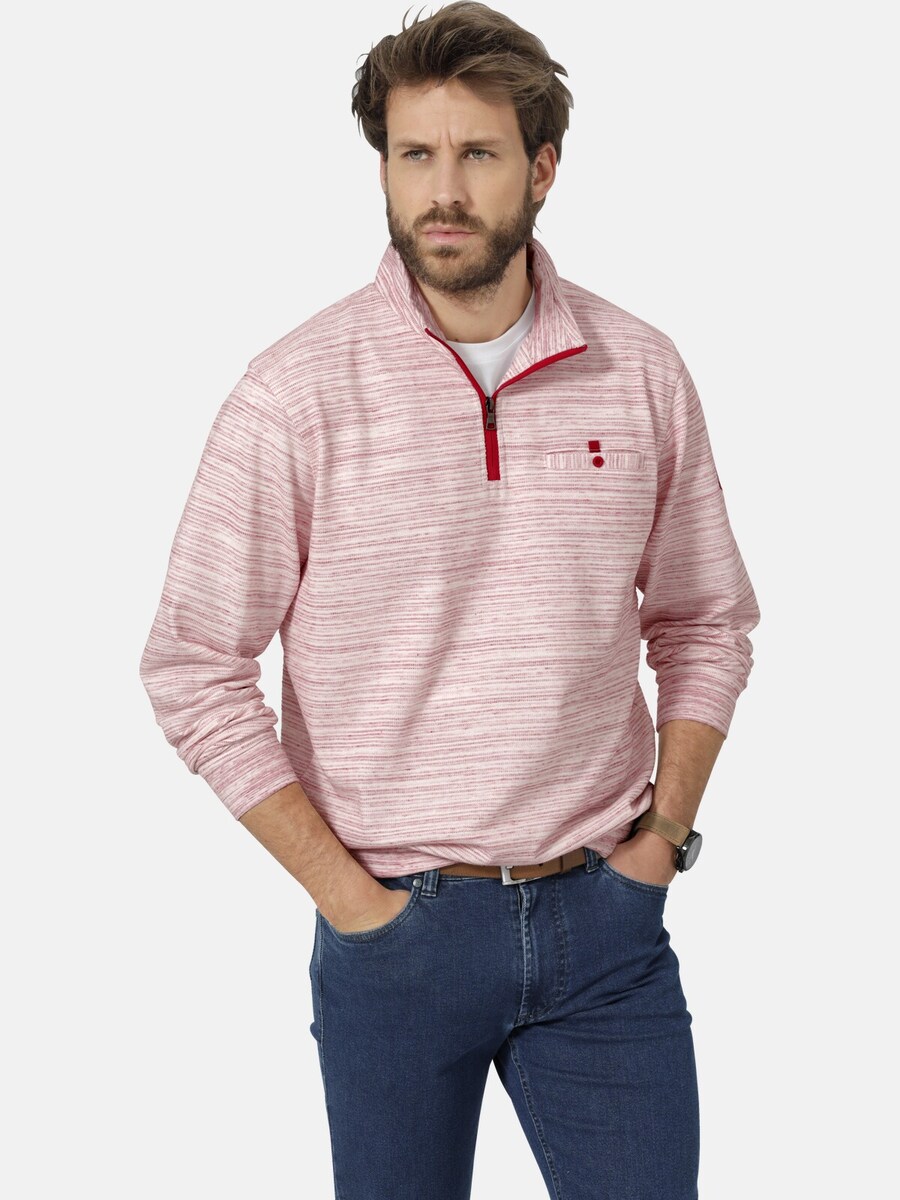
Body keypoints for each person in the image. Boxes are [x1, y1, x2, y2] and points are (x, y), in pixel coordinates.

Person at [139, 3, 760, 1196]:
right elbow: (192, 665)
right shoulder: (294, 394)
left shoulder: (640, 370)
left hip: (606, 929)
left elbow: (706, 618)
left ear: (543, 167)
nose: (443, 191)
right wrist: (348, 900)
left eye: (477, 153)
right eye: (413, 153)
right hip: (394, 936)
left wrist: (661, 844)